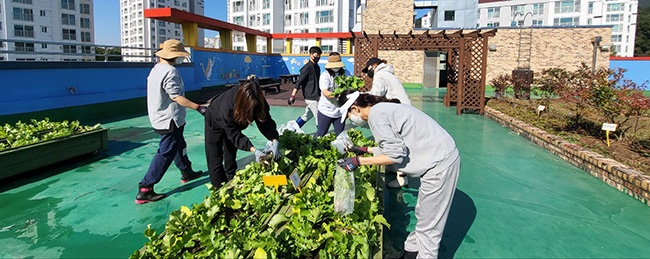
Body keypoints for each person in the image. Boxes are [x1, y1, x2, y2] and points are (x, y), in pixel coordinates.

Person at [336, 90, 460, 259]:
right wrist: (365, 150)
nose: (351, 120)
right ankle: (410, 253)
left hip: (440, 163)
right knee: (425, 216)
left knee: (430, 228)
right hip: (437, 157)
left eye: (349, 115)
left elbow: (394, 155)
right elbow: (397, 146)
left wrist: (358, 161)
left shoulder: (376, 117)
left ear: (356, 109)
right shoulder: (381, 109)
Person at [136, 39, 206, 204]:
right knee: (166, 152)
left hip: (159, 116)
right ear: (175, 56)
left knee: (179, 145)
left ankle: (186, 171)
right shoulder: (170, 72)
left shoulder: (156, 69)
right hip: (169, 119)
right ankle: (146, 188)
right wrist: (199, 107)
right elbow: (176, 97)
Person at [204, 77, 280, 188]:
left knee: (230, 151)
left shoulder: (258, 98)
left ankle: (231, 178)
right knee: (215, 157)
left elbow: (265, 120)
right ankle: (218, 189)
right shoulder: (228, 108)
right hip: (215, 118)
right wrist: (254, 150)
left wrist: (274, 140)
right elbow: (234, 135)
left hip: (234, 118)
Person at [361, 57, 412, 188]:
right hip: (402, 109)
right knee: (399, 141)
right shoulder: (387, 73)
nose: (368, 74)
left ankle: (402, 177)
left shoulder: (381, 75)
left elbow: (376, 94)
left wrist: (360, 96)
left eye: (368, 70)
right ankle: (394, 167)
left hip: (399, 112)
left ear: (373, 66)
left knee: (396, 142)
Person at [288, 46, 322, 128]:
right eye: (315, 56)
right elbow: (299, 82)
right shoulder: (306, 68)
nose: (317, 58)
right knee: (319, 117)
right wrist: (293, 95)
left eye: (319, 56)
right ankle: (321, 136)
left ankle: (292, 128)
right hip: (310, 96)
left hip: (315, 95)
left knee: (307, 116)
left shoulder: (317, 67)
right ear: (310, 55)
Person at [315, 52, 346, 137]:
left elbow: (350, 87)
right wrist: (337, 95)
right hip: (326, 110)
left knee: (340, 135)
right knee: (321, 133)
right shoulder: (325, 75)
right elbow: (325, 92)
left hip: (340, 111)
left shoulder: (346, 73)